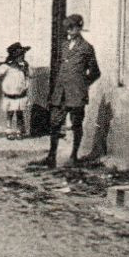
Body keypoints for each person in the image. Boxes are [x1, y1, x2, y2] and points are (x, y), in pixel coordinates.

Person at [42, 13, 100, 168]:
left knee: (76, 124)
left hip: (76, 94)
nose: (69, 30)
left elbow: (95, 72)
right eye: (68, 27)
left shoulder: (87, 48)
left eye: (73, 27)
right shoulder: (63, 46)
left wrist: (82, 84)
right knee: (54, 123)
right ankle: (51, 155)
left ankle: (74, 155)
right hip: (61, 93)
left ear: (80, 27)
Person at [0, 42, 33, 139]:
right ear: (14, 57)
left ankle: (19, 130)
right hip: (10, 94)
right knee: (10, 113)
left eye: (23, 55)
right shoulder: (7, 66)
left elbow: (30, 75)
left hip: (20, 94)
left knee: (20, 113)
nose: (21, 57)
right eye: (19, 55)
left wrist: (26, 70)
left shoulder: (24, 66)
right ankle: (9, 130)